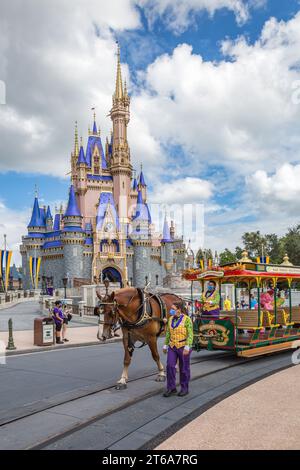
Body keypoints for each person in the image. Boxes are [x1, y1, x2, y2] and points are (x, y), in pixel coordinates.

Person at [163, 302, 193, 397]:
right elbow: (168, 333)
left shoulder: (187, 319)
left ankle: (184, 388)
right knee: (170, 366)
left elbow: (190, 334)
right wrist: (165, 344)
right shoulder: (170, 319)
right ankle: (171, 388)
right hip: (172, 346)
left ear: (179, 309)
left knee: (184, 368)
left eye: (173, 308)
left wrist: (188, 346)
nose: (171, 310)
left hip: (183, 346)